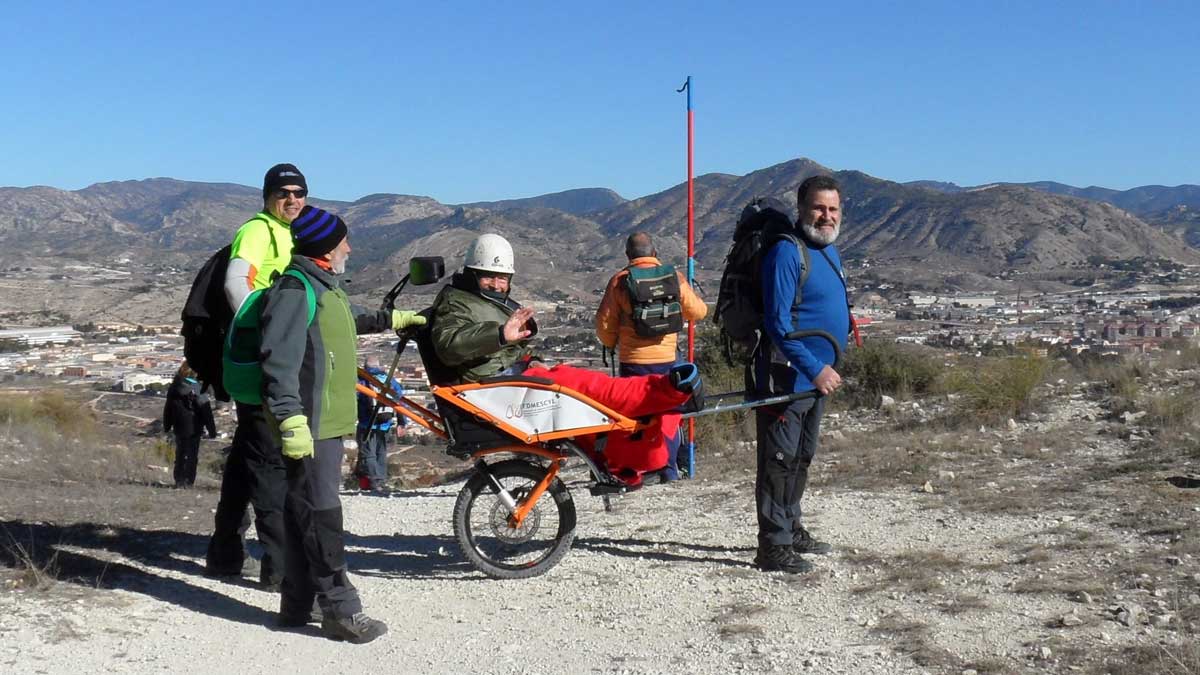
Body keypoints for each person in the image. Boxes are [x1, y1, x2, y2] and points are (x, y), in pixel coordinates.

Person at [260, 205, 425, 643]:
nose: (348, 248)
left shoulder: (324, 288)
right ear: (324, 249)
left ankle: (297, 604)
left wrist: (394, 319)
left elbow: (348, 321)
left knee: (303, 511)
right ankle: (341, 610)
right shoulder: (295, 291)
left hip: (327, 422)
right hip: (310, 424)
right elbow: (278, 360)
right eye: (342, 242)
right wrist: (290, 418)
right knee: (323, 515)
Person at [429, 233, 700, 485]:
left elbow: (604, 327)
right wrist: (500, 334)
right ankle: (671, 393)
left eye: (502, 278)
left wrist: (530, 358)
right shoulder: (458, 303)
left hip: (534, 374)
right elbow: (449, 346)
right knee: (600, 391)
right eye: (489, 277)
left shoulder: (620, 280)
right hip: (500, 387)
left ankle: (626, 460)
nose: (497, 285)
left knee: (596, 407)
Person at [206, 163, 308, 587]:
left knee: (245, 461)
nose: (292, 199)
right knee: (269, 464)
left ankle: (225, 552)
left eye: (299, 192)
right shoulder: (257, 230)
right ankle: (279, 568)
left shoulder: (290, 232)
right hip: (262, 360)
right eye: (283, 193)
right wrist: (269, 333)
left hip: (262, 359)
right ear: (267, 197)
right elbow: (236, 284)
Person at [753, 175, 850, 574]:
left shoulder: (828, 251)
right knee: (779, 460)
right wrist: (814, 367)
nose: (827, 216)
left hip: (816, 380)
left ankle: (792, 529)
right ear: (801, 209)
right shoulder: (786, 252)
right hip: (787, 378)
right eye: (818, 208)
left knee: (801, 457)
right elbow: (777, 324)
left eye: (833, 209)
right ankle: (773, 547)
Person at [595, 232, 707, 481]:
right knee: (669, 416)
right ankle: (669, 470)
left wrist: (613, 342)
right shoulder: (673, 277)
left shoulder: (620, 281)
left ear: (628, 255)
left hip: (633, 363)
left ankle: (640, 470)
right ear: (655, 253)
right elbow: (699, 312)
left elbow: (604, 326)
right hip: (668, 361)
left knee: (635, 419)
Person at [162, 361, 216, 488]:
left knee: (180, 453)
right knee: (192, 455)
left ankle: (179, 479)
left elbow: (168, 408)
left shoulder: (174, 386)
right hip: (194, 426)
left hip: (179, 425)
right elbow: (205, 408)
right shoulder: (196, 387)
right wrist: (211, 429)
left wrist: (167, 425)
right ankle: (188, 481)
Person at [355, 358, 405, 491]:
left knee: (368, 454)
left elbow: (355, 397)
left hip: (367, 424)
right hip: (385, 424)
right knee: (381, 453)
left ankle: (375, 481)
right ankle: (381, 481)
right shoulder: (389, 380)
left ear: (365, 367)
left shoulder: (362, 380)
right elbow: (400, 400)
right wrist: (401, 422)